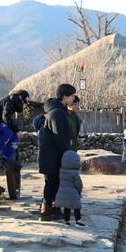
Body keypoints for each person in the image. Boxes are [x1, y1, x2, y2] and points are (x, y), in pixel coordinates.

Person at [38, 83, 76, 221]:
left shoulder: (57, 111)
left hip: (52, 154)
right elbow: (59, 135)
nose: (73, 99)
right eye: (71, 96)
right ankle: (46, 212)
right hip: (52, 155)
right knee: (51, 183)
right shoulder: (57, 113)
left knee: (55, 182)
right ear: (65, 96)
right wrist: (67, 152)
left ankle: (53, 209)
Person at [53, 150, 85, 227]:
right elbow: (78, 184)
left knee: (66, 207)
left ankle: (66, 221)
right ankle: (78, 220)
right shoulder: (75, 173)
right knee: (76, 207)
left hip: (63, 192)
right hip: (73, 193)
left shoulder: (61, 171)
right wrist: (79, 191)